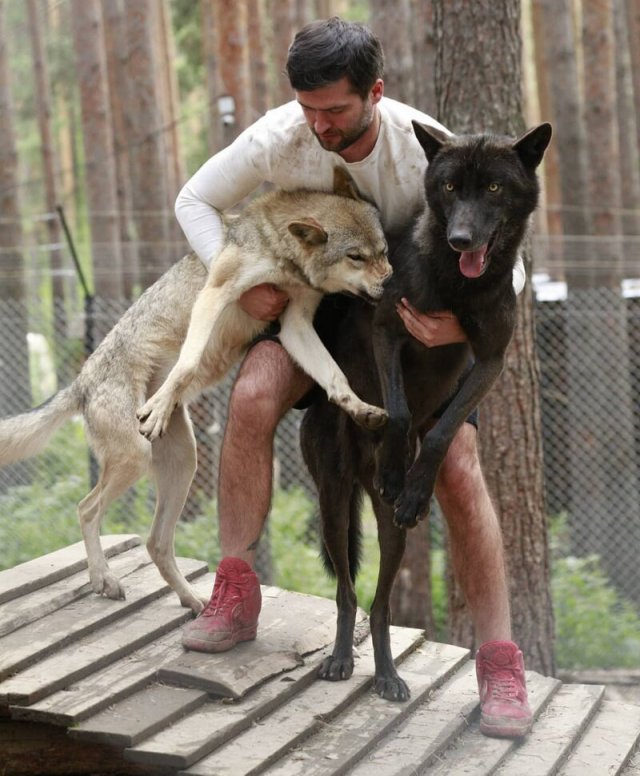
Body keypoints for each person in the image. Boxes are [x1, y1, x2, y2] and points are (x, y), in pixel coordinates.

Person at [175, 17, 532, 738]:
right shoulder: (280, 134)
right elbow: (193, 201)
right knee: (250, 398)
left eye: (335, 110)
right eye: (308, 108)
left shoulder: (424, 143)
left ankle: (500, 662)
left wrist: (461, 329)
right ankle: (235, 590)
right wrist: (240, 284)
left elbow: (505, 258)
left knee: (458, 466)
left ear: (375, 92)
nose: (319, 125)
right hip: (313, 318)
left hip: (411, 332)